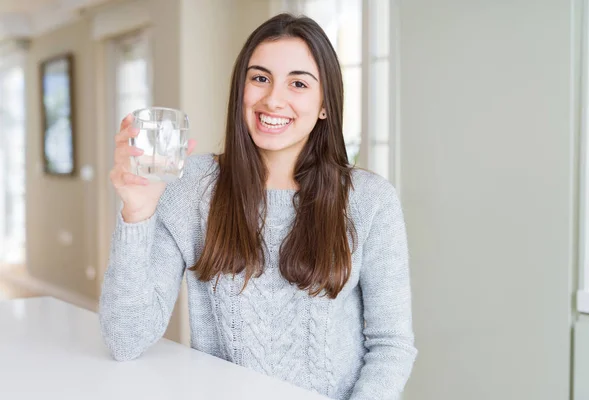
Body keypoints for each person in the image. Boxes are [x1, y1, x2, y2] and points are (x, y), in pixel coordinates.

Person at [100, 13, 417, 400]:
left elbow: (391, 346)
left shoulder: (370, 200)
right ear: (241, 90)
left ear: (325, 105)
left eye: (298, 83)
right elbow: (126, 339)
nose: (272, 99)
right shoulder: (189, 189)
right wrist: (137, 212)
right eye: (260, 78)